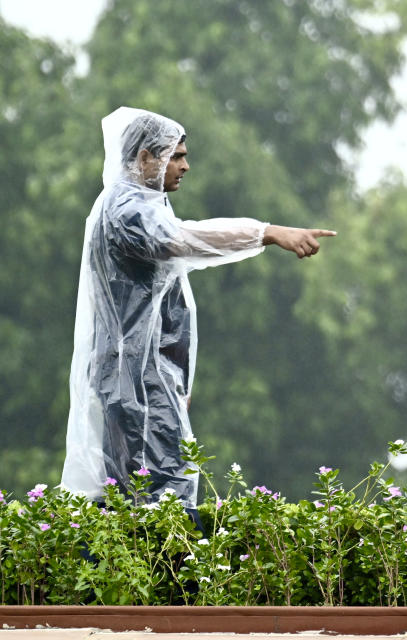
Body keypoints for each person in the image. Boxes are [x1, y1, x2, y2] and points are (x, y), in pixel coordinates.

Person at [60, 107, 336, 515]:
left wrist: (175, 380)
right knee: (153, 503)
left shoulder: (143, 205)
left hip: (146, 377)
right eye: (176, 156)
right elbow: (186, 240)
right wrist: (268, 232)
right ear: (143, 159)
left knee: (149, 498)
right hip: (134, 382)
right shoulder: (127, 211)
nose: (186, 166)